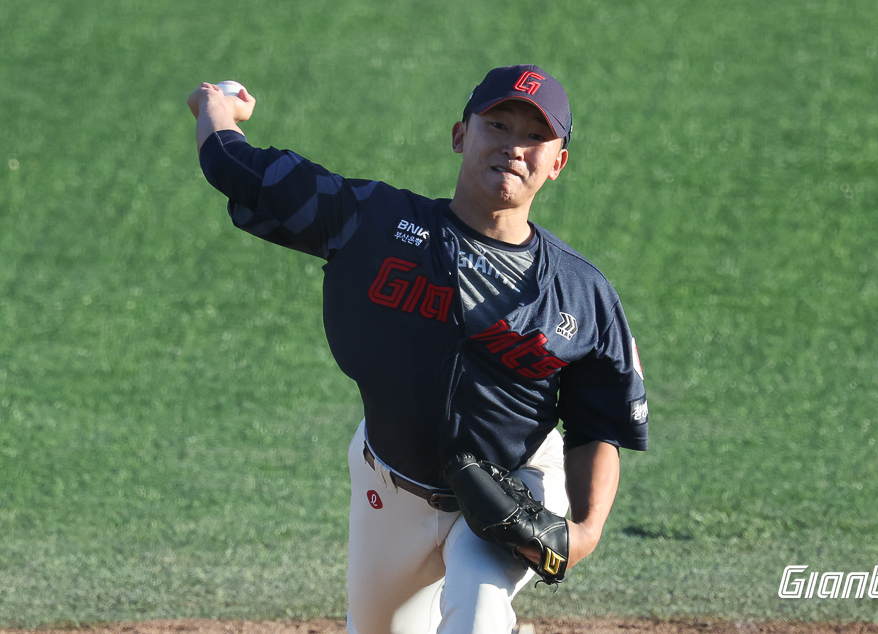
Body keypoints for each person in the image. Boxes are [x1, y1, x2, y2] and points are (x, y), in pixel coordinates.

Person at [188, 64, 649, 634]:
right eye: (498, 125)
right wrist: (214, 106)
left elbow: (597, 425)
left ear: (558, 164)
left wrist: (585, 532)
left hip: (512, 492)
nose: (513, 147)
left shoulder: (583, 292)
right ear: (461, 135)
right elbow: (237, 168)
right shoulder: (375, 223)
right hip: (389, 493)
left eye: (535, 137)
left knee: (476, 618)